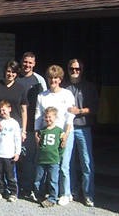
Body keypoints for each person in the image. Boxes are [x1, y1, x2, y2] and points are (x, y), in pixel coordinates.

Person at [35, 65, 75, 206]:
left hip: (64, 132)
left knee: (63, 165)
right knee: (48, 165)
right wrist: (36, 133)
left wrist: (66, 134)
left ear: (60, 79)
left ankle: (65, 193)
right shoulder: (42, 96)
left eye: (56, 78)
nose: (53, 80)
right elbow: (38, 116)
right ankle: (50, 192)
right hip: (47, 135)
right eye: (51, 78)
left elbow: (70, 115)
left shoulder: (67, 94)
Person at [67, 58, 99, 207]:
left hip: (83, 128)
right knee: (68, 163)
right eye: (72, 69)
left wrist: (78, 111)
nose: (75, 71)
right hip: (67, 128)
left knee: (87, 163)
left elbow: (94, 108)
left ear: (82, 70)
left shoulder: (89, 87)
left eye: (77, 69)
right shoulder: (64, 86)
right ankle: (72, 191)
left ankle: (88, 194)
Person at [17, 52, 47, 197]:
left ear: (34, 64)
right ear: (21, 62)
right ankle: (14, 187)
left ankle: (28, 188)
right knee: (15, 157)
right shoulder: (15, 77)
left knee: (29, 159)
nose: (27, 65)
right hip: (15, 125)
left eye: (30, 63)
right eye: (25, 62)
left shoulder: (38, 80)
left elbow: (43, 105)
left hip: (31, 126)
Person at [0, 59, 27, 142]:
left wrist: (23, 130)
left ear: (17, 73)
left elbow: (23, 110)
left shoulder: (21, 88)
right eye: (8, 71)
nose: (10, 74)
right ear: (5, 71)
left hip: (15, 127)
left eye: (13, 72)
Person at [0, 100, 21, 203]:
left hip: (9, 154)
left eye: (4, 110)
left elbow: (17, 139)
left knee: (10, 176)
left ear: (10, 109)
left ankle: (13, 193)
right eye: (0, 110)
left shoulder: (14, 123)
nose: (2, 112)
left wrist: (17, 152)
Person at [34, 106, 65, 208]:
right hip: (42, 160)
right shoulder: (42, 131)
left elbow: (62, 147)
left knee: (53, 180)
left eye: (50, 117)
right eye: (46, 117)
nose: (48, 119)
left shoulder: (59, 131)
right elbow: (40, 145)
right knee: (39, 179)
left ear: (55, 117)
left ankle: (52, 198)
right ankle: (39, 195)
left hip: (53, 160)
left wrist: (58, 157)